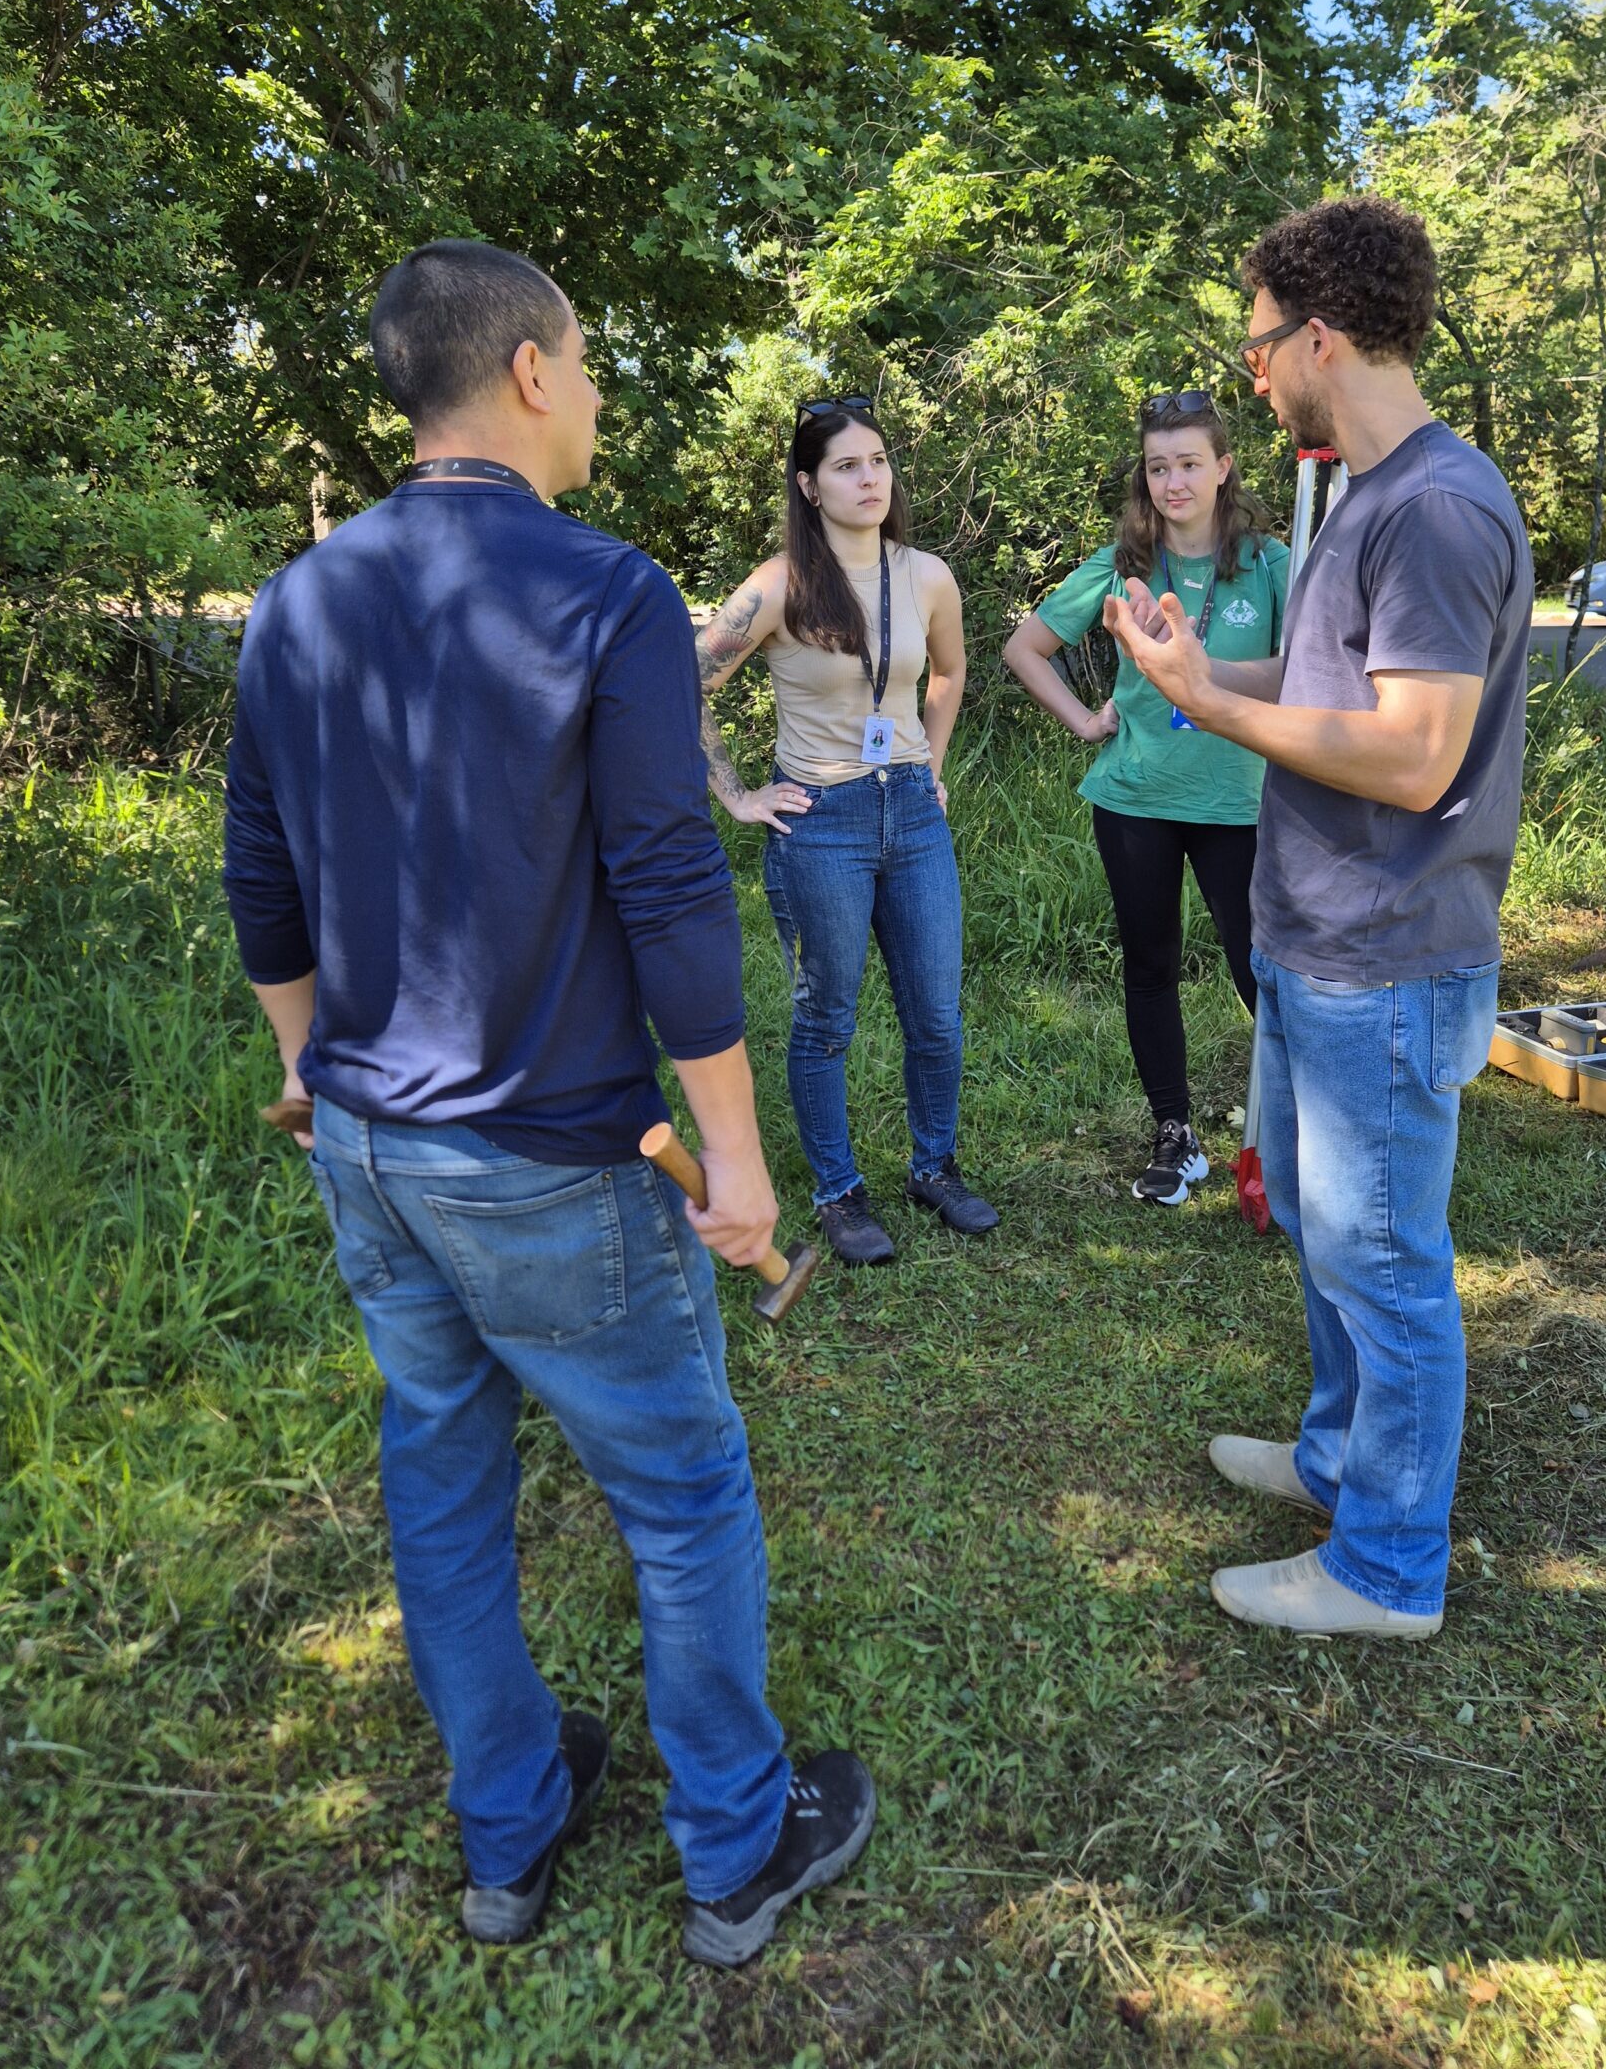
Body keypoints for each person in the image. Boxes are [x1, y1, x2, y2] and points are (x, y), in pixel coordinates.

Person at [221, 240, 874, 1963]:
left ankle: (509, 1832)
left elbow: (261, 875)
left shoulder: (300, 597)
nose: (593, 396)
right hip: (551, 1161)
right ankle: (737, 1845)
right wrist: (736, 1155)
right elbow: (669, 881)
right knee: (678, 1491)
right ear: (525, 372)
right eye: (582, 365)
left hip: (371, 1148)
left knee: (441, 1479)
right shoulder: (609, 592)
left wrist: (305, 1057)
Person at [1106, 197, 1532, 1642]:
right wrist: (1211, 661)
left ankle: (1386, 1570)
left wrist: (1214, 705)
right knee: (1322, 1230)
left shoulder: (1437, 509)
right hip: (1314, 934)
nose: (1251, 365)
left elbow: (1413, 756)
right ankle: (1342, 1459)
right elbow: (1343, 673)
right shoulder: (1368, 491)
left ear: (1320, 336)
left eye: (1258, 338)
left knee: (1388, 1262)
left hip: (1388, 955)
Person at [694, 398, 998, 1266]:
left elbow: (950, 669)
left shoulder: (928, 574)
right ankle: (838, 1191)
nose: (869, 479)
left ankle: (934, 1169)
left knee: (936, 1016)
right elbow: (686, 680)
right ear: (808, 485)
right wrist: (739, 794)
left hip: (910, 813)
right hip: (819, 822)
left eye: (878, 462)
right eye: (845, 467)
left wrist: (930, 765)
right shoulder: (781, 583)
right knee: (827, 1018)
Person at [1001, 394, 1288, 1202]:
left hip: (1241, 800)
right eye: (1158, 467)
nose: (1173, 482)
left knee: (1261, 969)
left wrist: (1206, 682)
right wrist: (1087, 722)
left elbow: (1310, 664)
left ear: (1224, 467)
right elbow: (1024, 647)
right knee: (1150, 964)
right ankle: (1175, 1135)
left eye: (1190, 463)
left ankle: (1290, 1135)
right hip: (1136, 798)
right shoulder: (1120, 569)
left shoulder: (1270, 563)